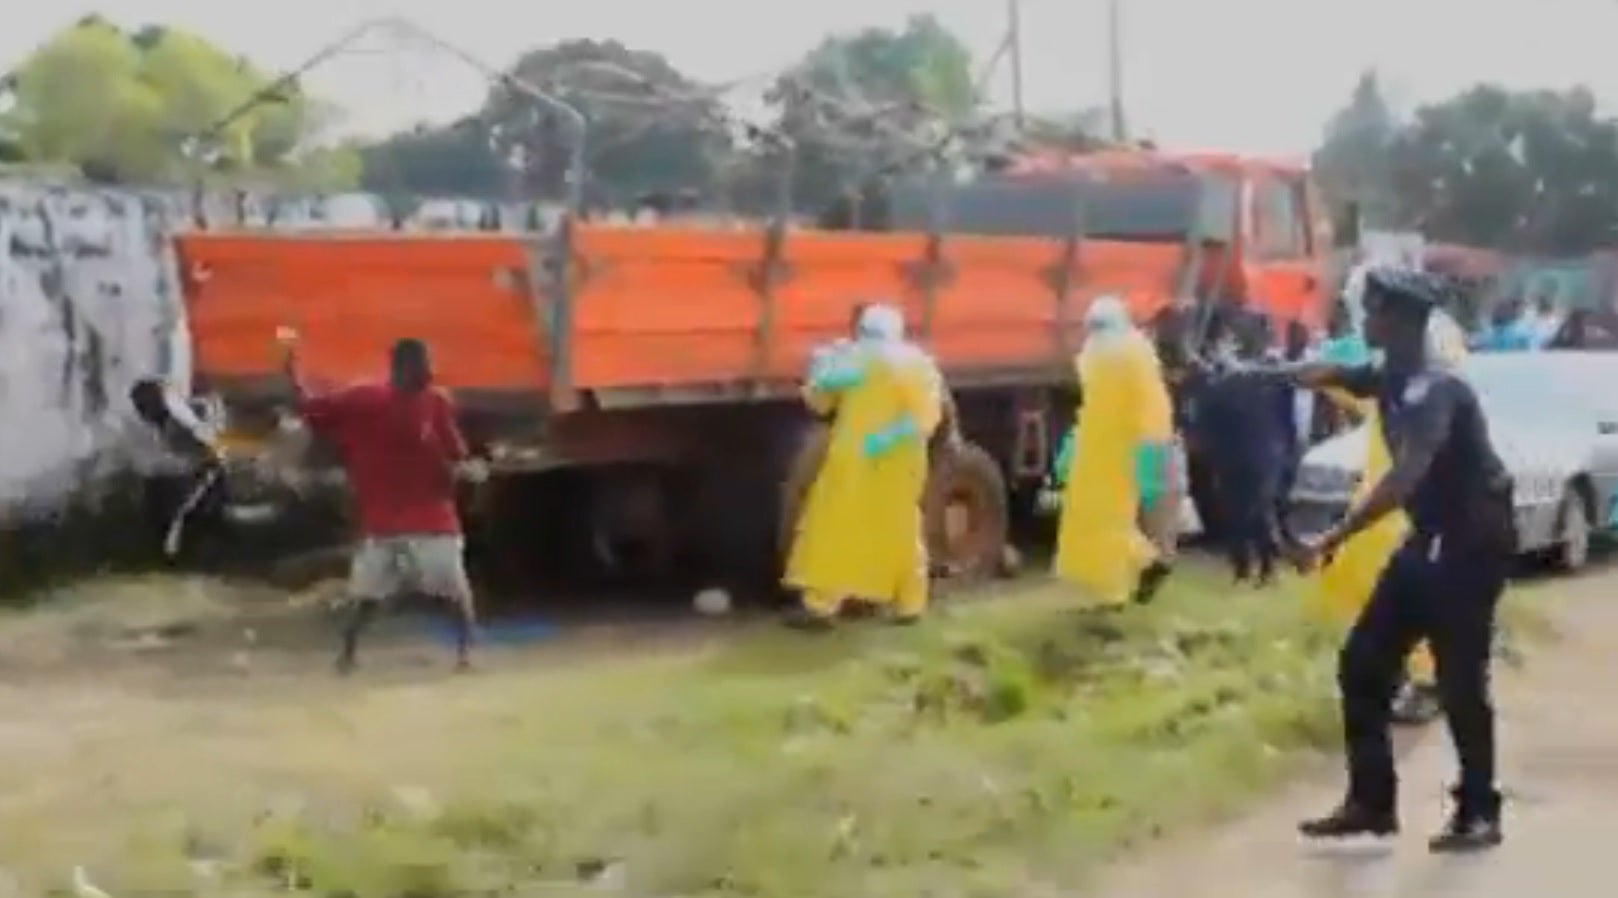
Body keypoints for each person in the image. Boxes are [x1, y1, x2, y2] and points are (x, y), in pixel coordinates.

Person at [1273, 266, 1514, 852]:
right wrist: (1272, 374)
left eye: (1375, 311)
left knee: (1459, 678)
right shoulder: (1395, 375)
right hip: (1430, 541)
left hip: (1472, 545)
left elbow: (1405, 478)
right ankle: (1371, 803)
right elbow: (1344, 374)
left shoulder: (1437, 388)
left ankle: (1479, 810)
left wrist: (1331, 538)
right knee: (1362, 662)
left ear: (1401, 320)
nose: (1365, 320)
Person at [277, 329, 487, 673]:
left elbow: (457, 454)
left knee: (451, 589)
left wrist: (469, 469)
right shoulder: (365, 400)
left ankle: (465, 654)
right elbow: (310, 408)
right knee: (367, 595)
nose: (427, 373)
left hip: (429, 518)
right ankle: (348, 655)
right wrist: (292, 374)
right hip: (385, 520)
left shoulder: (436, 403)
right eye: (421, 366)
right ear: (399, 368)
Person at [783, 303, 941, 628]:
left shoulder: (855, 361)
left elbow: (819, 402)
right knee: (898, 527)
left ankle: (822, 606)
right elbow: (927, 417)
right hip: (899, 461)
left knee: (834, 527)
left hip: (857, 457)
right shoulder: (917, 365)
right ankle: (908, 604)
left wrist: (818, 373)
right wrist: (890, 438)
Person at [1051, 297, 1176, 606]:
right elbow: (1148, 407)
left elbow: (1096, 408)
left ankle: (1133, 574)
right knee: (1109, 520)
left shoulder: (1098, 356)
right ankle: (1126, 579)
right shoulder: (1136, 353)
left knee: (1099, 522)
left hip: (1107, 450)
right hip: (1119, 447)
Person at [1199, 310, 1290, 585]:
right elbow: (1213, 403)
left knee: (1258, 508)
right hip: (1232, 448)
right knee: (1234, 510)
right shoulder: (1227, 367)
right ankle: (1241, 567)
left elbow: (1283, 409)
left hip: (1263, 448)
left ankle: (1268, 566)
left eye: (1246, 329)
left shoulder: (1272, 365)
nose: (1240, 334)